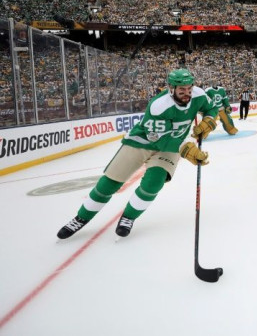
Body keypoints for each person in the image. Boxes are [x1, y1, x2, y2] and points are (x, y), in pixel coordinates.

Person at [56, 69, 217, 239]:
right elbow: (160, 139)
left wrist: (209, 120)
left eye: (189, 89)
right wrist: (187, 148)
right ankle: (81, 218)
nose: (187, 94)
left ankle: (128, 217)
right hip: (142, 142)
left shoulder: (198, 95)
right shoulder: (159, 106)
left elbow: (211, 107)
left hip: (171, 147)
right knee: (109, 183)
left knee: (154, 183)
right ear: (171, 88)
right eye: (181, 90)